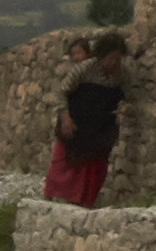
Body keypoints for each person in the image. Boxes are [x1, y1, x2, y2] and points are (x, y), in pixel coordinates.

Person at [45, 32, 132, 210]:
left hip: (101, 127)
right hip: (77, 123)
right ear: (101, 56)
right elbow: (62, 92)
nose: (114, 63)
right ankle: (57, 198)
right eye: (111, 58)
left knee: (96, 167)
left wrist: (124, 108)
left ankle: (85, 201)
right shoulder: (84, 69)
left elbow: (125, 97)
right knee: (66, 161)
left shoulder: (121, 75)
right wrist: (65, 118)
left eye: (118, 59)